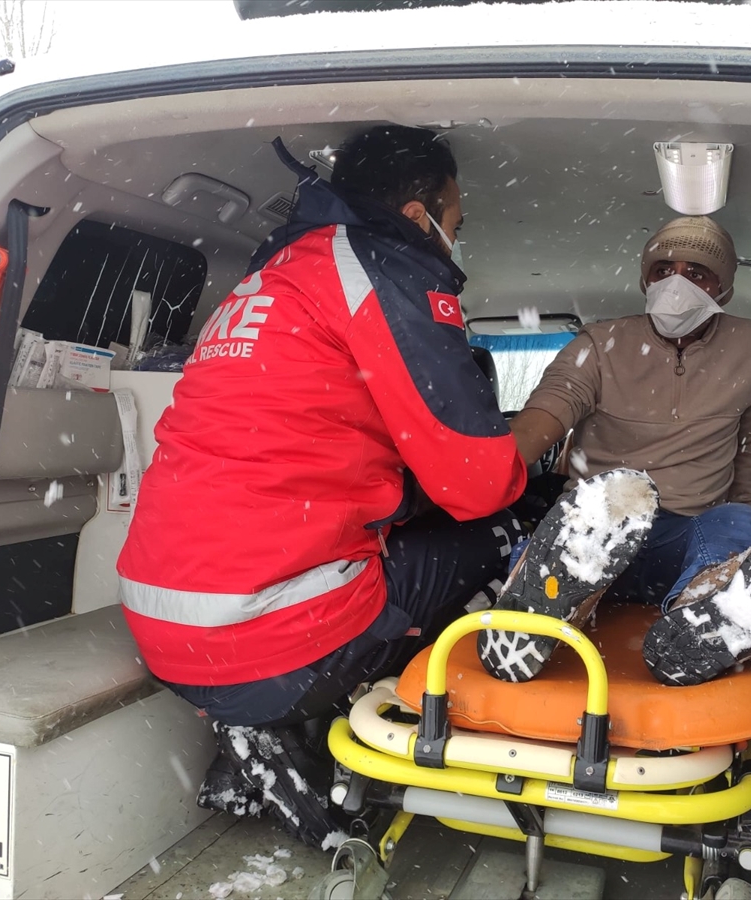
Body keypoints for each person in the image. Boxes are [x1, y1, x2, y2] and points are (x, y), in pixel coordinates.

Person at [116, 125, 526, 843]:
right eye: (454, 223)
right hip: (274, 642)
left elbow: (301, 453)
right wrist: (537, 451)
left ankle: (264, 721)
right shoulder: (384, 268)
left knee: (385, 540)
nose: (453, 240)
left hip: (167, 634)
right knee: (506, 532)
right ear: (415, 214)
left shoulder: (264, 280)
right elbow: (479, 482)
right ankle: (456, 708)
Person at [478, 216, 751, 685]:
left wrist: (744, 532)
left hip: (686, 540)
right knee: (602, 509)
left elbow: (750, 447)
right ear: (645, 279)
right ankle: (541, 613)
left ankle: (703, 615)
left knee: (740, 520)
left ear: (722, 289)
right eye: (663, 270)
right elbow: (543, 417)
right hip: (602, 535)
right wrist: (480, 481)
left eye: (697, 273)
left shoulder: (749, 345)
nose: (676, 283)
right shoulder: (599, 345)